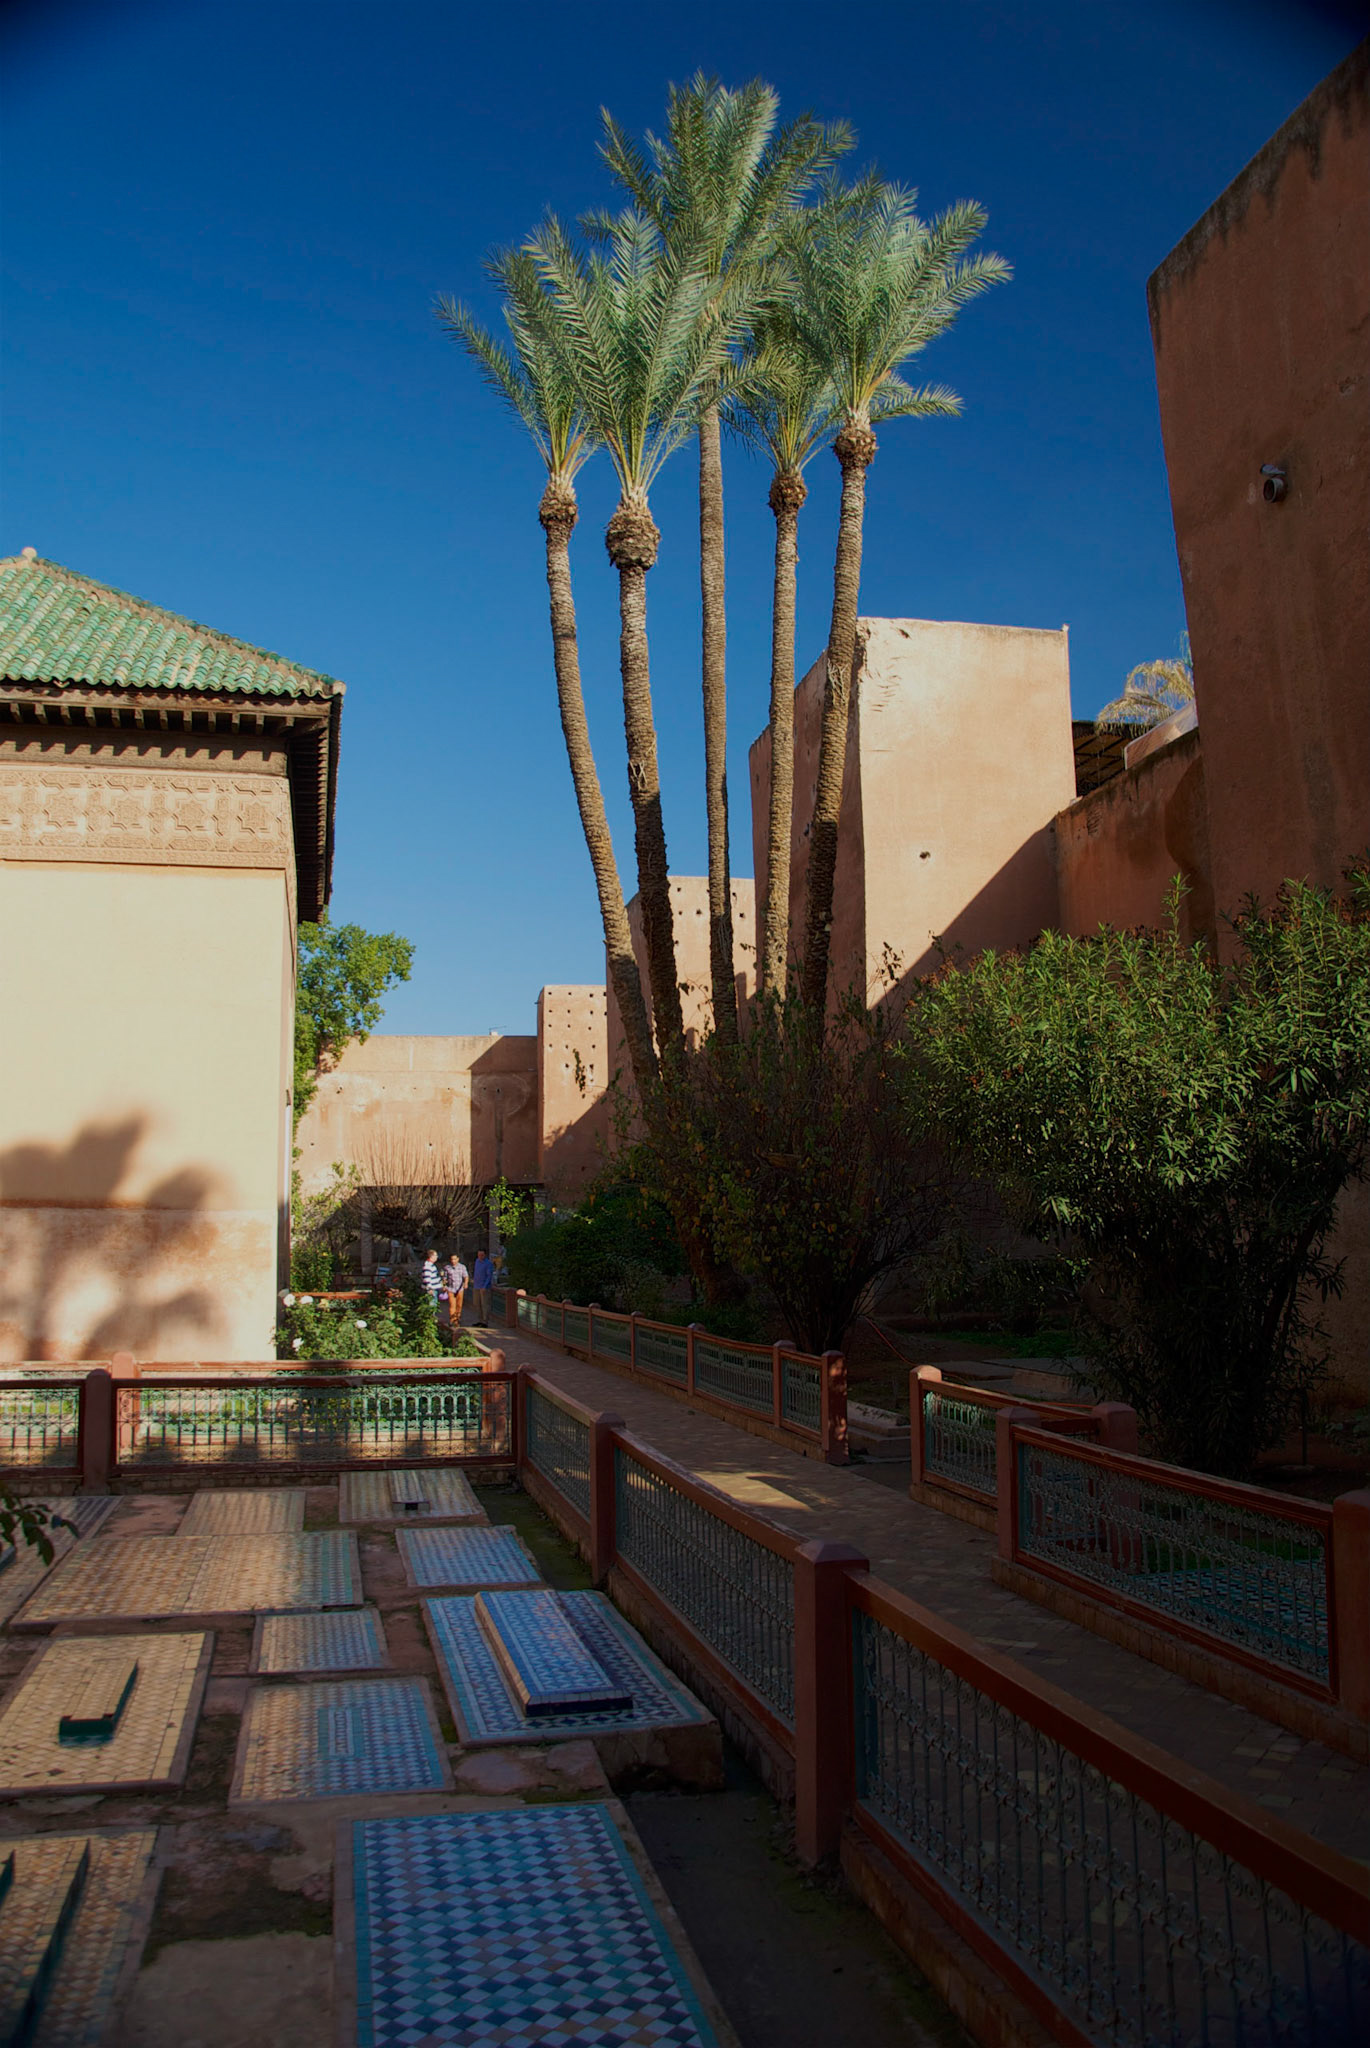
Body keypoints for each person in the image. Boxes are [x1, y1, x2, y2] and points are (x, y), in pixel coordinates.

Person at [441, 1251, 469, 1329]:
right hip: (451, 1288)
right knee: (452, 1305)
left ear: (458, 1259)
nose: (453, 1261)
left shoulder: (462, 1267)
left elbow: (466, 1276)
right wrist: (444, 1286)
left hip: (459, 1289)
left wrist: (465, 1283)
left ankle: (457, 1319)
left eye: (455, 1259)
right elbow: (444, 1278)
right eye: (452, 1259)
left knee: (459, 1305)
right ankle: (452, 1320)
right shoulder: (447, 1268)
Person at [471, 1249, 494, 1326]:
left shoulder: (488, 1264)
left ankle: (485, 1321)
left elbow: (489, 1276)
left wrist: (484, 1286)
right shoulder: (477, 1261)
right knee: (477, 1303)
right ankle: (480, 1320)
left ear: (485, 1255)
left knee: (485, 1304)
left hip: (484, 1287)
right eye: (479, 1255)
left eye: (482, 1255)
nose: (480, 1257)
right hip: (476, 1286)